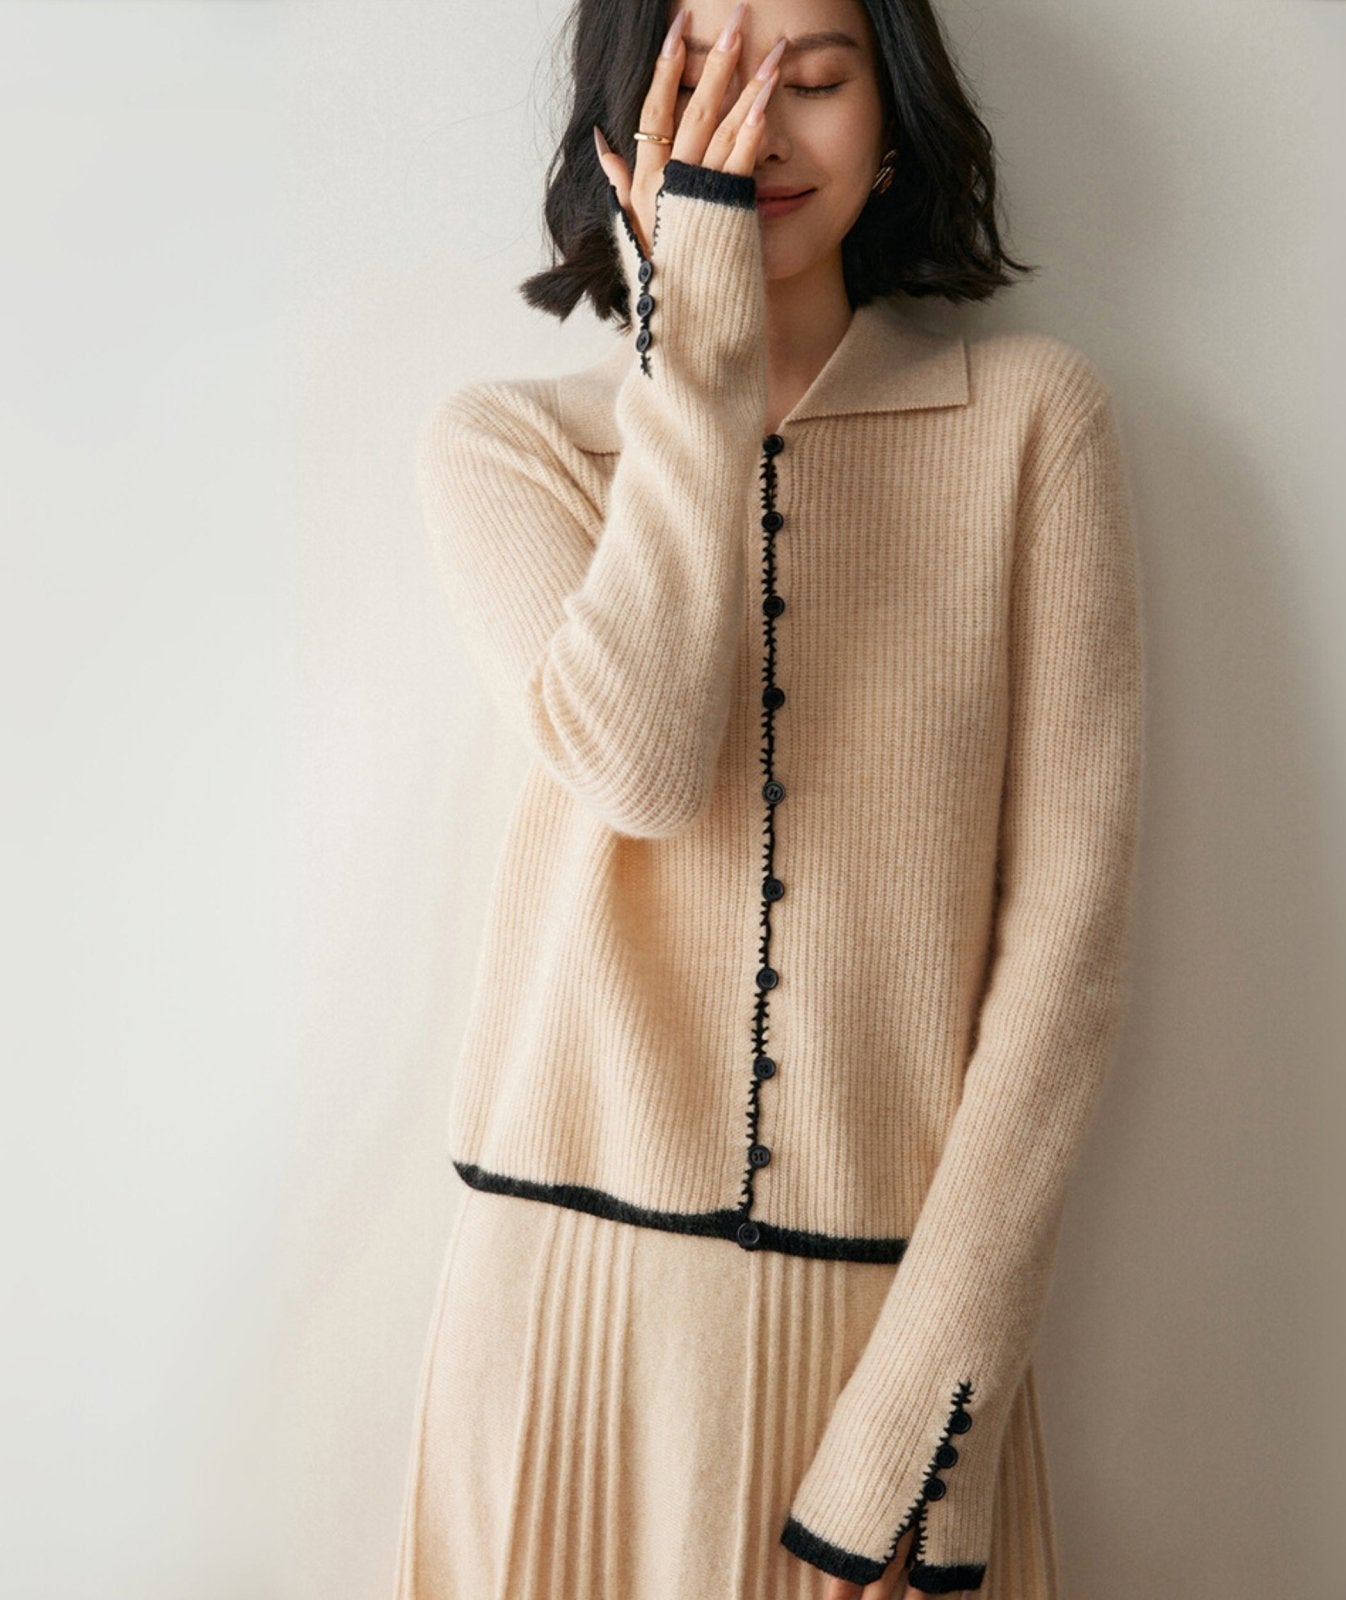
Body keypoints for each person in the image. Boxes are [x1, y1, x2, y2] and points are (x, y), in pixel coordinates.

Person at [392, 1, 1144, 1596]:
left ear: (895, 121)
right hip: (561, 1350)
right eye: (707, 84)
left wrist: (924, 1423)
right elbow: (643, 765)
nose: (758, 134)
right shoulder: (510, 450)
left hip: (889, 1341)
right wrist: (698, 355)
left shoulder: (1030, 423)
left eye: (811, 79)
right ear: (626, 134)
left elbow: (1066, 958)